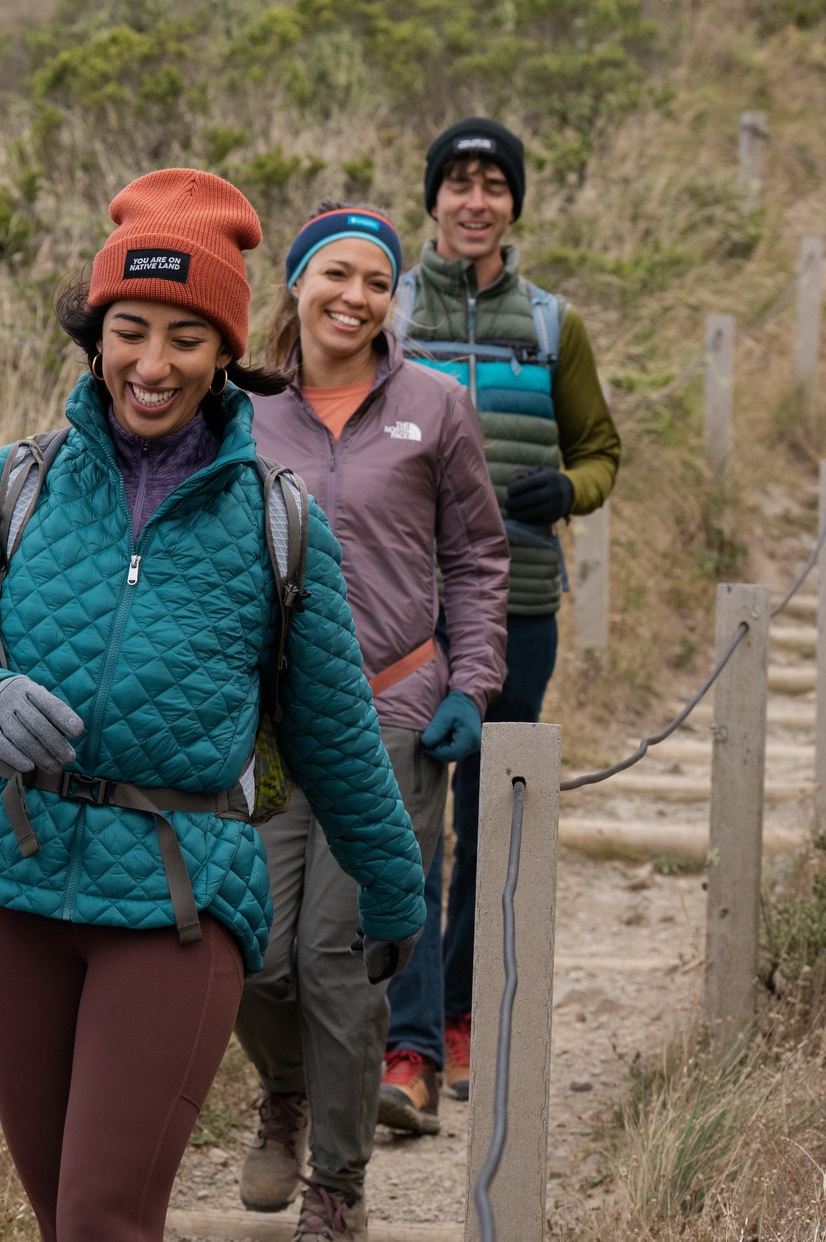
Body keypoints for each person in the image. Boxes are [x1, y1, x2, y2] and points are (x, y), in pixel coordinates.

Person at [0, 168, 426, 1242]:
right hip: (12, 873)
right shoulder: (12, 483)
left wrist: (394, 888)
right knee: (60, 1218)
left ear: (228, 351)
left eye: (186, 337)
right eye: (130, 330)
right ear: (95, 336)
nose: (152, 364)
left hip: (178, 901)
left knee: (100, 1221)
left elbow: (334, 732)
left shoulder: (280, 524)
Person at [232, 205, 510, 1234]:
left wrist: (469, 685)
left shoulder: (435, 406)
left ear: (394, 299)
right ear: (296, 286)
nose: (355, 297)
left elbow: (479, 558)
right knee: (249, 951)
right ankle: (286, 1093)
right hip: (261, 725)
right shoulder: (238, 410)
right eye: (335, 275)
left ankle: (337, 1185)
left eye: (377, 282)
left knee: (342, 960)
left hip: (392, 711)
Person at [382, 118, 621, 1112]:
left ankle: (459, 1018)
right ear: (431, 198)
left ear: (514, 203)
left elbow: (602, 452)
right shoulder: (383, 315)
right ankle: (406, 1046)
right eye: (458, 183)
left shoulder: (554, 326)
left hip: (519, 608)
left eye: (493, 184)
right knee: (402, 828)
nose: (474, 201)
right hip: (400, 620)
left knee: (490, 828)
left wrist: (566, 492)